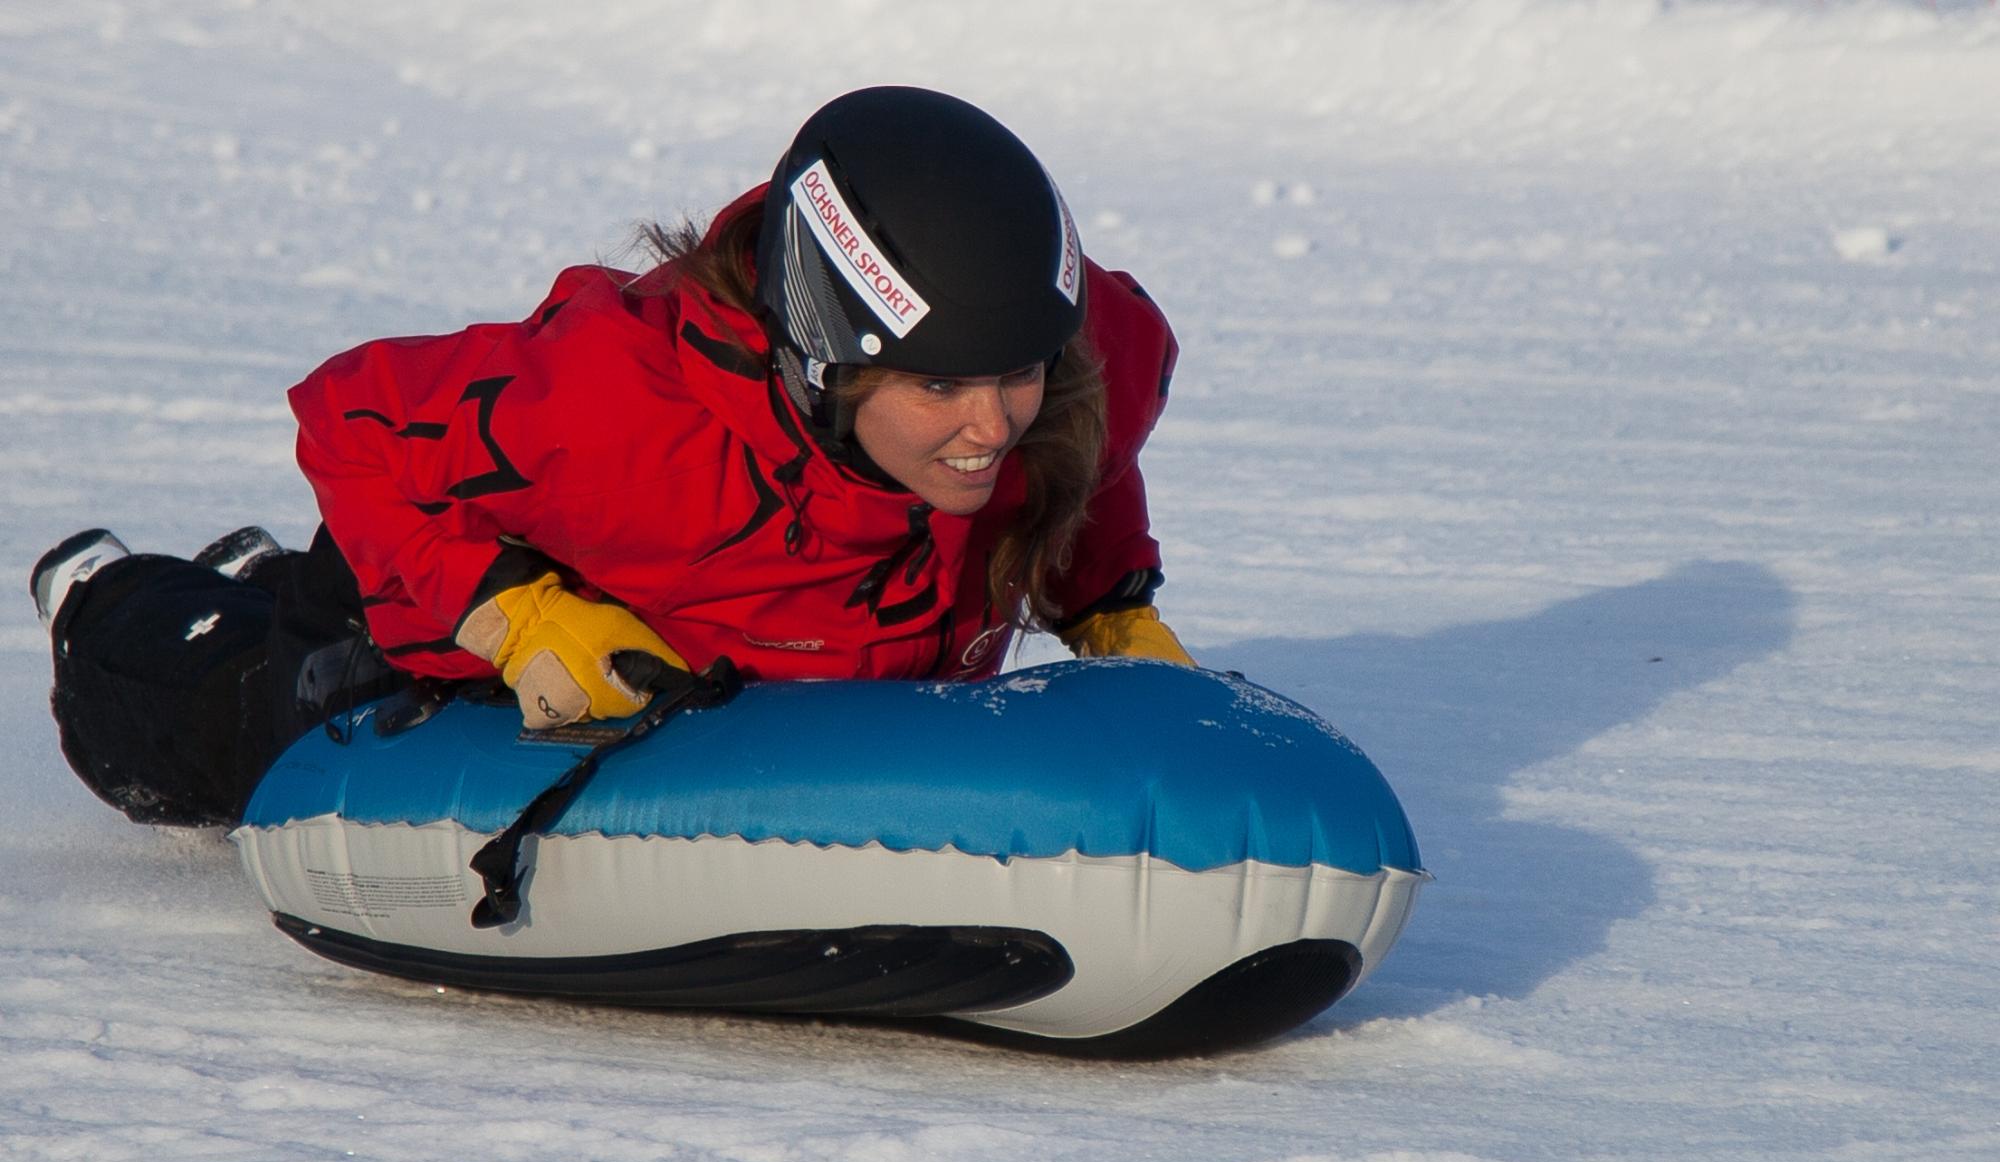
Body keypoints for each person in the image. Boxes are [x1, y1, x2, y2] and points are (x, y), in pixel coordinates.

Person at [33, 86, 1195, 829]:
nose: (990, 424)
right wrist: (518, 615)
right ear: (825, 367)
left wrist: (1107, 602)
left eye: (1017, 374)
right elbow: (351, 423)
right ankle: (108, 599)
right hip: (475, 579)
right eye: (938, 385)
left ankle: (255, 573)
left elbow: (1082, 455)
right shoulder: (619, 418)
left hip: (755, 655)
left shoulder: (1086, 361)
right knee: (252, 735)